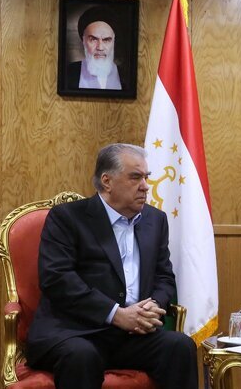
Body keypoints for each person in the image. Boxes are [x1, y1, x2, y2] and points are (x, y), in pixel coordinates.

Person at [26, 143, 198, 389]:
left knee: (180, 346)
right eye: (135, 177)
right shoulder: (67, 218)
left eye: (146, 177)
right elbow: (57, 279)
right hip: (75, 331)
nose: (145, 186)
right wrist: (116, 314)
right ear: (107, 181)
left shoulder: (155, 220)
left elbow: (164, 277)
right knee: (82, 355)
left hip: (133, 335)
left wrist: (152, 306)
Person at [66, 5, 124, 90]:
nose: (100, 47)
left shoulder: (125, 76)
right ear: (83, 41)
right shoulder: (68, 73)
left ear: (114, 42)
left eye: (106, 40)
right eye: (93, 39)